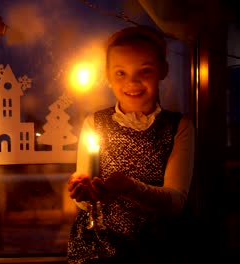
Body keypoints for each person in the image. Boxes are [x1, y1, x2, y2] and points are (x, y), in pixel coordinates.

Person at [67, 25, 195, 263]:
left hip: (161, 247)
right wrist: (82, 193)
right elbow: (85, 202)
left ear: (163, 70)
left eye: (144, 70)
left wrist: (130, 188)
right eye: (120, 73)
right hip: (101, 246)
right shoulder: (94, 123)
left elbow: (176, 202)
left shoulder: (179, 127)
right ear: (107, 75)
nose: (132, 82)